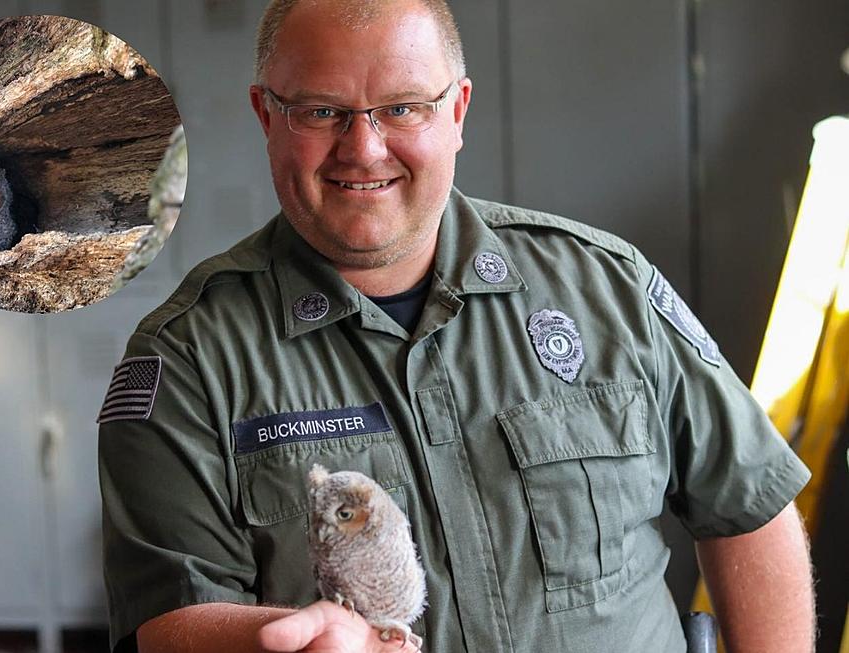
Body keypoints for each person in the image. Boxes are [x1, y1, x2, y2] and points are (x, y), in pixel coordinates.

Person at [97, 0, 816, 651]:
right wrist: (280, 638)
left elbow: (747, 502)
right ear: (267, 115)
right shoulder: (189, 358)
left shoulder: (606, 286)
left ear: (458, 111)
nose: (365, 148)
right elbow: (168, 620)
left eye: (404, 107)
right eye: (321, 112)